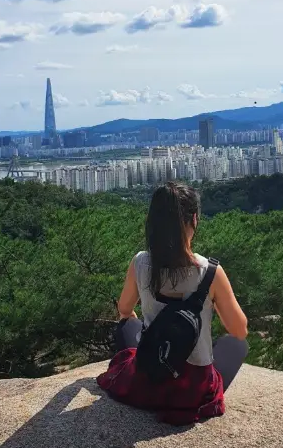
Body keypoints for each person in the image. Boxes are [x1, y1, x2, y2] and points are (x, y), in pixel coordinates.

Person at [97, 182, 249, 425]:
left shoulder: (140, 263)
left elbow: (124, 310)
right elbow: (239, 330)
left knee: (128, 326)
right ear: (194, 220)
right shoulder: (209, 272)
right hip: (191, 391)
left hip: (148, 381)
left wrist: (147, 326)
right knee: (236, 345)